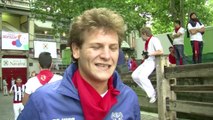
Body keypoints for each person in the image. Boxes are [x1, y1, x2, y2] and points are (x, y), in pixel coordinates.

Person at [18, 8, 140, 120]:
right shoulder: (43, 100)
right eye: (96, 47)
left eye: (113, 48)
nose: (106, 56)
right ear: (76, 50)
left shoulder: (128, 98)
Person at [131, 27, 163, 103]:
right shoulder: (148, 42)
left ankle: (152, 94)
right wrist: (145, 55)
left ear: (144, 34)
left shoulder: (154, 40)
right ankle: (150, 91)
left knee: (142, 77)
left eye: (141, 35)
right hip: (146, 61)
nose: (141, 37)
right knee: (134, 75)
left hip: (152, 61)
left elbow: (160, 51)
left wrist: (149, 53)